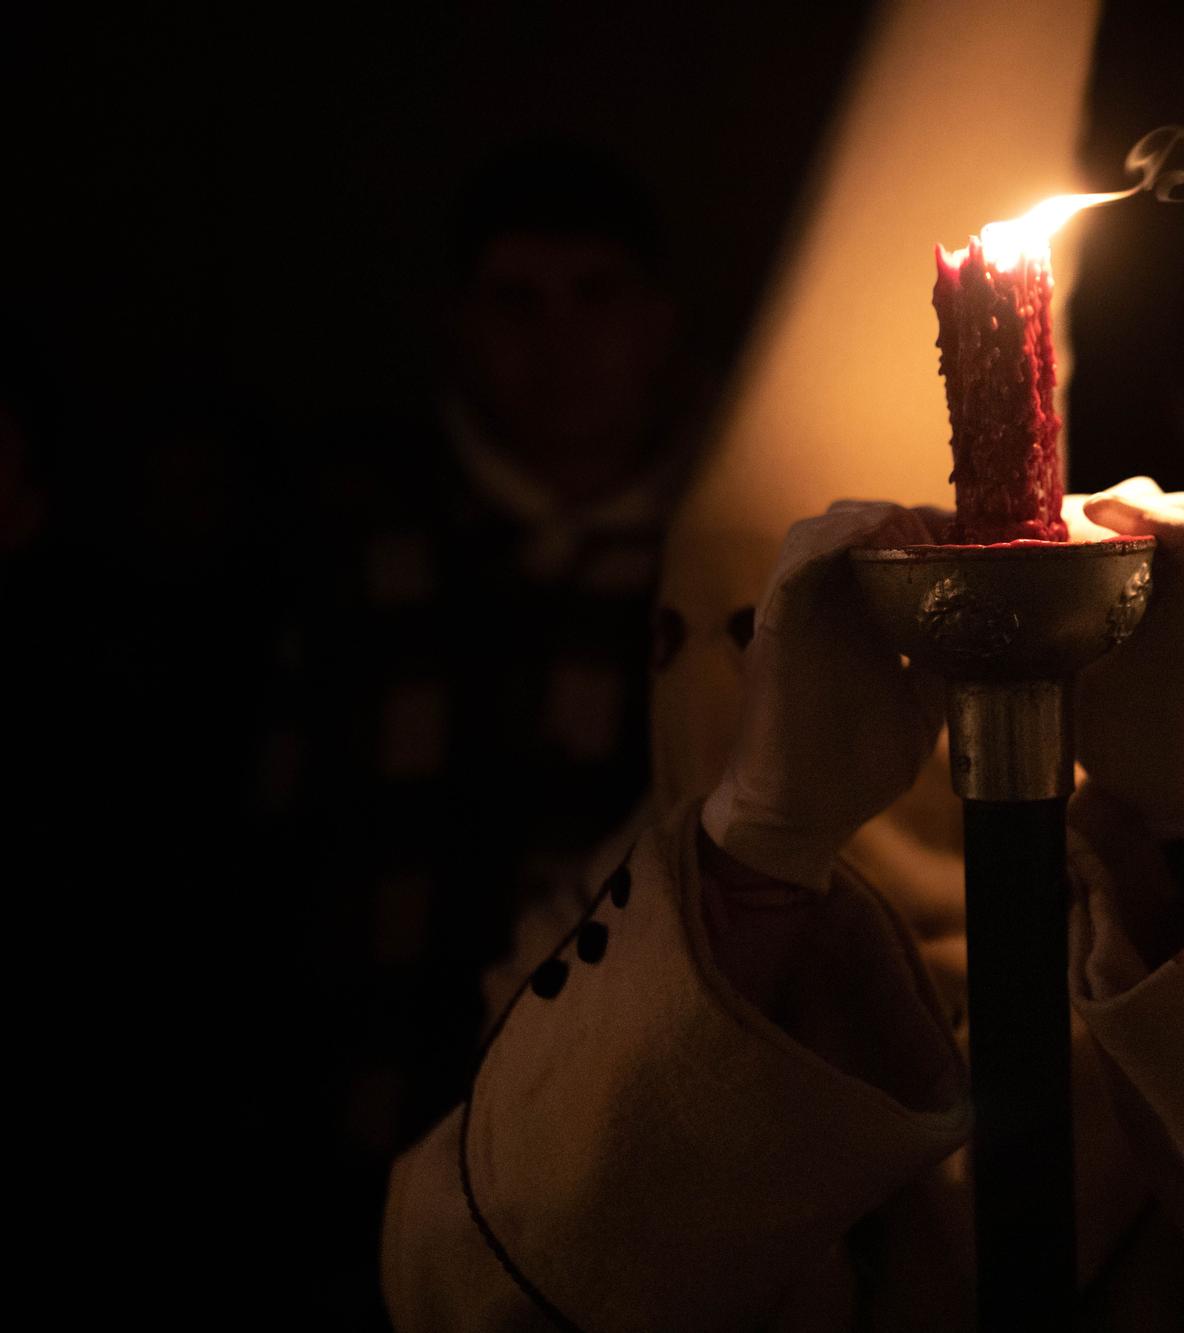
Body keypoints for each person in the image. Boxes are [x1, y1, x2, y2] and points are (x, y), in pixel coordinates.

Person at [381, 477, 1184, 1330]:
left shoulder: (1176, 970)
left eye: (756, 635)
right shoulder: (597, 971)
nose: (716, 688)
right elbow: (469, 1296)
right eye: (678, 639)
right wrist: (756, 850)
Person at [264, 142, 698, 1322]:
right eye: (516, 303)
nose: (559, 342)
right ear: (460, 324)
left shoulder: (727, 561)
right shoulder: (351, 551)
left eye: (593, 295)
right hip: (365, 1129)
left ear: (655, 321)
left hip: (630, 1157)